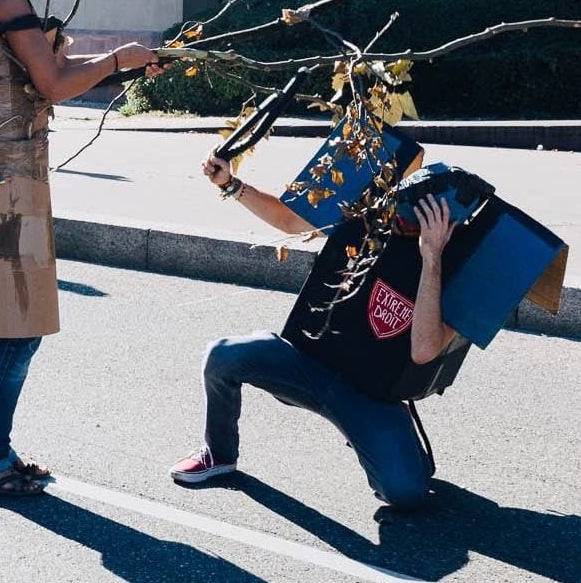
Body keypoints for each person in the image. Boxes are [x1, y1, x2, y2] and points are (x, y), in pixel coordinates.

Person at [0, 0, 160, 497]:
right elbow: (53, 82)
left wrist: (113, 66)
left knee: (8, 327)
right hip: (4, 182)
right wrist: (118, 58)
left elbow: (45, 74)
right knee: (15, 327)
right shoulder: (7, 0)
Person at [170, 161, 455, 511]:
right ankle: (220, 453)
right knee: (222, 357)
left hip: (370, 395)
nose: (403, 218)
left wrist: (432, 258)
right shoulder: (368, 215)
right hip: (307, 362)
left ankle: (399, 438)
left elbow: (425, 351)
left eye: (422, 216)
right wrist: (230, 183)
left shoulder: (459, 266)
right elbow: (291, 221)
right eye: (406, 205)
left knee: (406, 493)